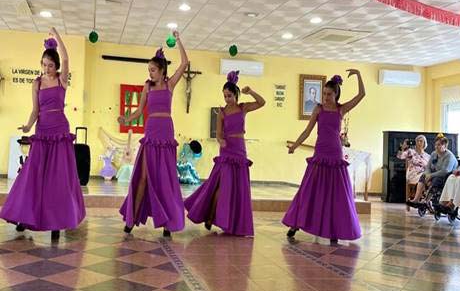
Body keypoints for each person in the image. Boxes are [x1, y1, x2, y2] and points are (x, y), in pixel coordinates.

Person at [0, 28, 85, 240]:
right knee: (32, 175)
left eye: (50, 65)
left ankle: (57, 222)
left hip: (60, 132)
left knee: (58, 178)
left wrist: (57, 36)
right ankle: (23, 217)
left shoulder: (61, 80)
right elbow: (35, 110)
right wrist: (28, 126)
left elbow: (66, 59)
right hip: (42, 130)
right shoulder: (36, 83)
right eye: (44, 65)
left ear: (56, 67)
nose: (47, 68)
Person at [119, 31, 188, 237]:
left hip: (166, 132)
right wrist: (127, 119)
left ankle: (167, 223)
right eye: (149, 70)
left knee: (165, 179)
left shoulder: (170, 84)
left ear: (162, 70)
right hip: (150, 133)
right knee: (143, 177)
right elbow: (140, 111)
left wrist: (179, 40)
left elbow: (184, 63)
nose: (150, 73)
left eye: (153, 70)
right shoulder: (147, 87)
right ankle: (131, 220)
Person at [283, 71, 365, 244]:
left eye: (329, 94)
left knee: (337, 195)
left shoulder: (341, 109)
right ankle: (296, 224)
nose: (326, 97)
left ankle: (335, 229)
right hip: (320, 153)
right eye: (324, 94)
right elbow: (307, 130)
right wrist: (295, 145)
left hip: (335, 154)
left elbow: (361, 95)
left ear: (336, 95)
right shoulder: (318, 109)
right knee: (308, 191)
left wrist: (358, 74)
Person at [185, 71, 265, 236]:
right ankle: (210, 216)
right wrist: (220, 140)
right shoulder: (222, 112)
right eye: (225, 96)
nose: (227, 99)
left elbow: (262, 102)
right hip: (227, 150)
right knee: (221, 187)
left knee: (238, 188)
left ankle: (235, 224)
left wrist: (250, 92)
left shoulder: (243, 108)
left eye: (229, 95)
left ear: (235, 94)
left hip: (240, 149)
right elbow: (218, 134)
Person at [408, 134, 457, 204]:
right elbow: (428, 167)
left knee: (436, 180)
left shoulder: (449, 156)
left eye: (439, 145)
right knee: (423, 176)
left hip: (446, 177)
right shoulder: (434, 154)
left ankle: (425, 201)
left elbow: (445, 171)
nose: (436, 147)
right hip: (434, 174)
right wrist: (428, 174)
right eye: (436, 145)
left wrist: (431, 176)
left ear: (445, 146)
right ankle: (416, 199)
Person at [397, 135, 430, 207]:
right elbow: (400, 156)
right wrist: (402, 148)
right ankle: (420, 200)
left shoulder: (428, 156)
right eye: (417, 141)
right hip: (413, 173)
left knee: (430, 179)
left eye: (421, 141)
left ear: (425, 143)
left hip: (424, 174)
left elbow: (429, 167)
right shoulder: (410, 151)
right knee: (425, 178)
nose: (419, 142)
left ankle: (425, 201)